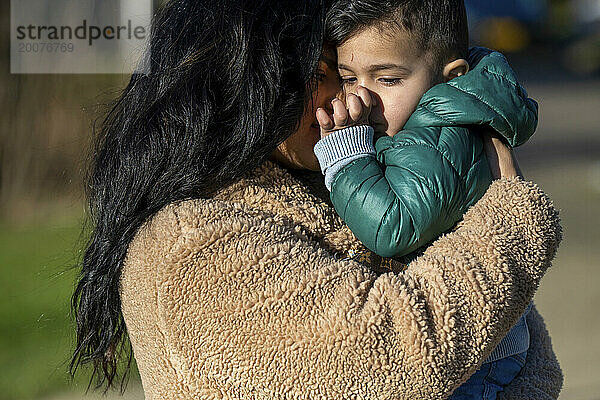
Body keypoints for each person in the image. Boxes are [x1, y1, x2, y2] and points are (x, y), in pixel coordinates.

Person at [69, 0, 563, 398]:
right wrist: (509, 223)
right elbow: (387, 355)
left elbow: (507, 336)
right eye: (330, 72)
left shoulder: (318, 185)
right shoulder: (194, 245)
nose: (350, 97)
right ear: (251, 85)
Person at [312, 1, 539, 398]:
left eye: (388, 79)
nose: (362, 98)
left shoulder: (439, 135)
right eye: (349, 79)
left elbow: (393, 227)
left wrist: (345, 157)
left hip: (475, 359)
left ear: (451, 76)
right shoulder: (420, 122)